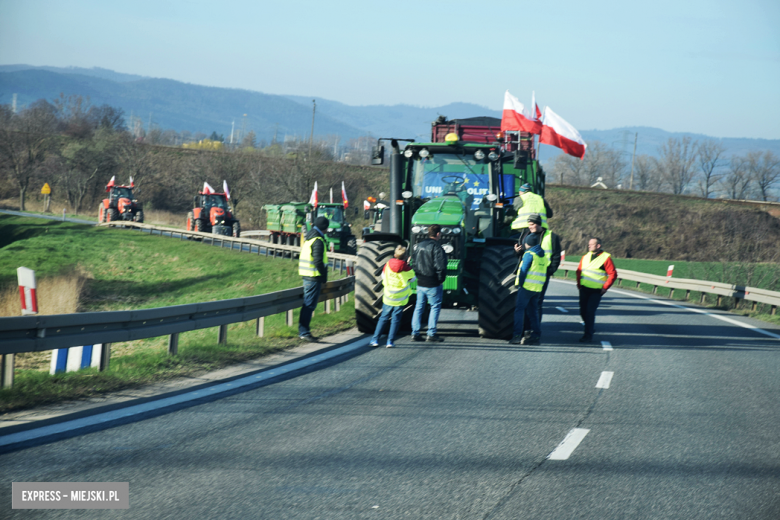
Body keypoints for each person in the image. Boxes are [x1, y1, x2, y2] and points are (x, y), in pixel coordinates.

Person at [514, 213, 562, 336]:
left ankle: (533, 332)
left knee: (536, 304)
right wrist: (517, 252)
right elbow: (524, 255)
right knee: (525, 305)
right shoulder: (525, 235)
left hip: (541, 275)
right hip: (528, 274)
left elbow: (556, 255)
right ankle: (526, 329)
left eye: (533, 224)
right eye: (529, 224)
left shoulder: (551, 236)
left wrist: (549, 271)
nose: (530, 226)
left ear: (539, 224)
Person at [370, 245, 416, 348]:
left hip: (388, 296)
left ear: (395, 255)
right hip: (400, 298)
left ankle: (375, 340)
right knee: (395, 319)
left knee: (383, 317)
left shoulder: (387, 264)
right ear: (406, 256)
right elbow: (413, 279)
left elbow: (383, 276)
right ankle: (390, 342)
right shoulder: (407, 269)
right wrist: (407, 265)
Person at [510, 233, 550, 345]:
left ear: (528, 243)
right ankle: (536, 336)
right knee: (533, 313)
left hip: (526, 288)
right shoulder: (543, 256)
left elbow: (523, 271)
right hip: (537, 289)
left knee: (519, 311)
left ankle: (517, 336)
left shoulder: (529, 254)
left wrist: (520, 284)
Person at [576, 237, 618, 343]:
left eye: (591, 244)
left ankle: (588, 335)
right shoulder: (585, 256)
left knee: (590, 312)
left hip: (596, 291)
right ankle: (590, 328)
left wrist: (605, 287)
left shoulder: (605, 258)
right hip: (584, 289)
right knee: (583, 311)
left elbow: (613, 274)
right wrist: (579, 284)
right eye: (589, 244)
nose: (589, 246)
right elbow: (579, 271)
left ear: (598, 246)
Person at [411, 224, 447, 342]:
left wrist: (418, 276)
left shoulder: (419, 246)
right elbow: (440, 266)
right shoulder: (437, 247)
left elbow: (414, 263)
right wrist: (440, 280)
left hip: (420, 282)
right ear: (437, 234)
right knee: (435, 306)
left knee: (419, 307)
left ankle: (415, 332)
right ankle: (431, 333)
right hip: (433, 283)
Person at [298, 216, 329, 340]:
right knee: (309, 305)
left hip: (308, 276)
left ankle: (304, 331)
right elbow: (318, 261)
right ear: (325, 227)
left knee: (308, 305)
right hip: (313, 277)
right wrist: (323, 275)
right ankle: (304, 332)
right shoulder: (318, 240)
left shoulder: (310, 238)